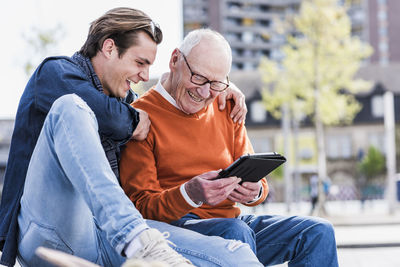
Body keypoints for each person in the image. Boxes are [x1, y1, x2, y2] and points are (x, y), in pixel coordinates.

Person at [0, 7, 259, 267]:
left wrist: (219, 85)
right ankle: (136, 239)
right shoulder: (54, 74)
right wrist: (136, 118)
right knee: (70, 107)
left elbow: (152, 100)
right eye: (140, 63)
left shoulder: (128, 102)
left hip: (104, 236)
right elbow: (108, 114)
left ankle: (138, 241)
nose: (145, 76)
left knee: (235, 254)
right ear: (109, 48)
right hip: (51, 229)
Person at [120, 29, 339, 267]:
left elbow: (261, 188)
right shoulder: (141, 118)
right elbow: (141, 207)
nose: (204, 93)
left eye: (215, 83)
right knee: (236, 234)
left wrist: (253, 192)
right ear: (175, 60)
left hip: (234, 223)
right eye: (198, 78)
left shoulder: (227, 105)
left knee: (318, 232)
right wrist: (190, 193)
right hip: (179, 230)